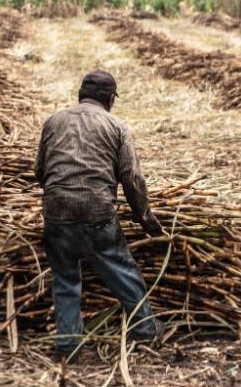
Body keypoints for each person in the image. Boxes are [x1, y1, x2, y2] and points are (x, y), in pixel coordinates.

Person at [34, 70, 165, 363]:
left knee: (65, 278)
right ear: (109, 99)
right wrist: (145, 218)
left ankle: (68, 344)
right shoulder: (116, 126)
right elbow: (131, 179)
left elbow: (40, 173)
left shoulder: (54, 121)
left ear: (81, 94)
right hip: (96, 213)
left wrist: (62, 197)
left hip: (56, 214)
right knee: (122, 269)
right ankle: (145, 328)